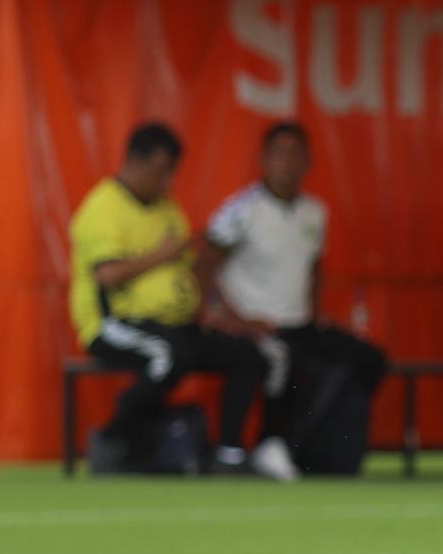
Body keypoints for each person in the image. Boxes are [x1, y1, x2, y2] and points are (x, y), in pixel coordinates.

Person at [69, 120, 289, 480]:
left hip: (177, 323)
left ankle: (230, 454)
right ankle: (113, 440)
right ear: (133, 162)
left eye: (171, 173)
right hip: (116, 324)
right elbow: (106, 275)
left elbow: (189, 270)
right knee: (168, 356)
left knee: (246, 355)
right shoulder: (102, 207)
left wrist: (217, 314)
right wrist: (160, 255)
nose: (165, 181)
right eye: (159, 172)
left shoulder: (168, 208)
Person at [195, 118, 387, 465]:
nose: (288, 163)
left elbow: (313, 266)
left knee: (368, 359)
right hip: (259, 325)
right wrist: (235, 319)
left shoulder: (315, 211)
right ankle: (259, 445)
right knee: (278, 360)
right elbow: (204, 264)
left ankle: (310, 441)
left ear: (308, 162)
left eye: (296, 155)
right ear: (264, 160)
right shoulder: (242, 210)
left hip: (300, 322)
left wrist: (316, 311)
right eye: (280, 154)